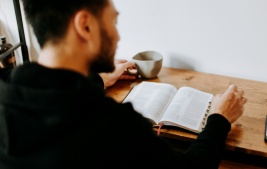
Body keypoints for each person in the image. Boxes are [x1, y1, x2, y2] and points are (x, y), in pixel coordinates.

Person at [0, 0, 247, 169]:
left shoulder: (6, 89)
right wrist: (219, 119)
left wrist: (97, 79)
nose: (117, 36)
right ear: (85, 25)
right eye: (113, 22)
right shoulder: (113, 126)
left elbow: (58, 99)